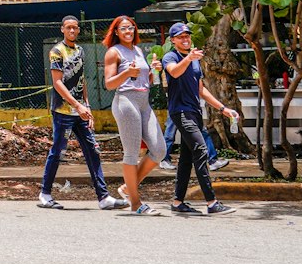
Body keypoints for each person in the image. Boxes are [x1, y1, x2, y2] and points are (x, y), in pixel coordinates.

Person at [37, 15, 123, 211]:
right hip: (63, 111)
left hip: (80, 111)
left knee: (93, 150)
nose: (73, 31)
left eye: (75, 28)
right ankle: (45, 193)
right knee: (58, 152)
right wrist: (77, 106)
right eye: (69, 28)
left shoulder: (80, 51)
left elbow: (81, 80)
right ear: (62, 29)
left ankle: (103, 197)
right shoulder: (57, 51)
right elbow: (58, 83)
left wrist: (87, 107)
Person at [160, 23, 238, 215]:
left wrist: (223, 108)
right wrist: (188, 58)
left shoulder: (194, 60)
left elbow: (200, 89)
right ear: (173, 40)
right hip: (180, 112)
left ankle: (178, 202)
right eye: (180, 37)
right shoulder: (171, 57)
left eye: (187, 36)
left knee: (187, 159)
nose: (185, 39)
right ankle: (212, 203)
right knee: (201, 150)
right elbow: (175, 72)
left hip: (195, 112)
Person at [104, 15, 167, 215]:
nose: (128, 31)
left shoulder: (138, 50)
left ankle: (127, 188)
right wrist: (126, 74)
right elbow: (109, 84)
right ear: (116, 32)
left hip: (143, 101)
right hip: (125, 101)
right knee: (131, 153)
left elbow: (144, 80)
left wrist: (154, 71)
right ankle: (136, 203)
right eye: (124, 29)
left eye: (131, 28)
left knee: (159, 150)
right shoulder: (113, 53)